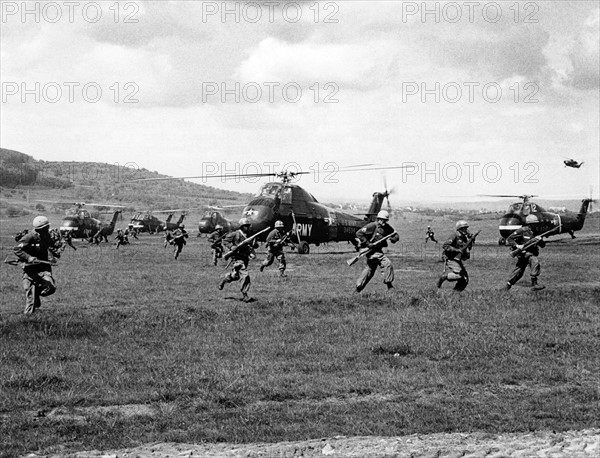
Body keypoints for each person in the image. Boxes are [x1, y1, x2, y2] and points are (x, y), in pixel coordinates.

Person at [13, 216, 60, 315]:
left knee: (51, 288)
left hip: (44, 269)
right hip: (30, 270)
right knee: (31, 299)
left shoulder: (46, 236)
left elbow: (51, 246)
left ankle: (37, 293)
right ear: (41, 228)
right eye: (46, 227)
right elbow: (17, 249)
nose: (48, 228)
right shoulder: (29, 237)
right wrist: (28, 257)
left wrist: (54, 255)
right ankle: (28, 319)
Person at [355, 210, 399, 292]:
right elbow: (359, 233)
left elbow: (395, 235)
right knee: (387, 263)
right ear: (378, 219)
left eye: (386, 220)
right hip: (371, 251)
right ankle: (390, 286)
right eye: (382, 220)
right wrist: (368, 243)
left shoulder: (387, 227)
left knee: (370, 271)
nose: (384, 222)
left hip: (378, 250)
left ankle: (358, 288)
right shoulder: (372, 226)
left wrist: (394, 239)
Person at [218, 218, 258, 302]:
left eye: (248, 226)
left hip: (245, 258)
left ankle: (225, 279)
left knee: (235, 276)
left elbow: (255, 245)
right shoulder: (235, 234)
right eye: (245, 226)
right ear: (241, 227)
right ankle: (245, 295)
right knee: (245, 275)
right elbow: (224, 241)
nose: (247, 227)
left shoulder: (249, 235)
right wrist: (231, 247)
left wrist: (254, 244)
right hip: (237, 258)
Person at [504, 216, 545, 291]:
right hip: (523, 253)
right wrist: (517, 245)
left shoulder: (536, 232)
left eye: (536, 224)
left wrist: (540, 241)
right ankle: (534, 284)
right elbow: (509, 239)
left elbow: (543, 245)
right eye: (533, 224)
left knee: (519, 272)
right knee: (533, 262)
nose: (535, 226)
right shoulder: (522, 230)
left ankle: (508, 286)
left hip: (531, 253)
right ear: (529, 224)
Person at [437, 220, 474, 291]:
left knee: (465, 279)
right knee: (460, 276)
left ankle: (455, 293)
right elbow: (446, 246)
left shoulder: (464, 238)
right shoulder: (454, 236)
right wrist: (456, 250)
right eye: (464, 228)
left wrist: (471, 240)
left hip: (457, 259)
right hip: (451, 258)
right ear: (459, 229)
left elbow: (468, 248)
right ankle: (444, 277)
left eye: (466, 228)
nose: (466, 230)